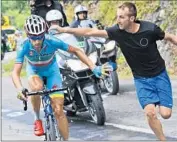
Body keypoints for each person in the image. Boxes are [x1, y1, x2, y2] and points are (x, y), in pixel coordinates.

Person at [49, 2, 177, 141]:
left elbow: (170, 37)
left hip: (159, 76)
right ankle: (162, 140)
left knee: (165, 114)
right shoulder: (117, 31)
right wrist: (64, 30)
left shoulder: (150, 29)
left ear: (132, 19)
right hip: (141, 79)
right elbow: (90, 32)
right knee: (150, 113)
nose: (118, 20)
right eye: (117, 16)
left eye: (121, 17)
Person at [11, 15, 112, 140]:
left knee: (59, 110)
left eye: (40, 37)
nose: (37, 41)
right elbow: (15, 72)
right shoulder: (24, 46)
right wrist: (20, 88)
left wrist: (93, 67)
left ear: (44, 33)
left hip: (52, 71)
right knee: (37, 87)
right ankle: (37, 119)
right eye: (33, 37)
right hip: (34, 71)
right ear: (28, 35)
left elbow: (76, 50)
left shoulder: (52, 40)